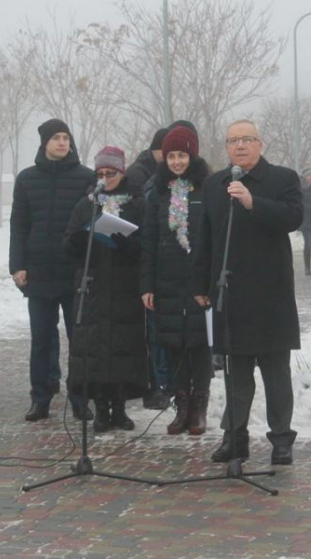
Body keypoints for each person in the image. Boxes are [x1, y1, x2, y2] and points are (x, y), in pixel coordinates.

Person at [193, 119, 303, 465]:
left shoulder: (283, 179)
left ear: (260, 143)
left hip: (271, 294)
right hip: (231, 293)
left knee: (275, 373)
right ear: (226, 148)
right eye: (232, 141)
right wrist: (201, 285)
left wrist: (253, 202)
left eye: (247, 139)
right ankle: (234, 437)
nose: (239, 146)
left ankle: (281, 439)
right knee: (235, 373)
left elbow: (294, 217)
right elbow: (205, 237)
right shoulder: (215, 184)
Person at [9, 118, 94, 422]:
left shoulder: (87, 177)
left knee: (80, 338)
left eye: (65, 137)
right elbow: (19, 223)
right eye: (55, 137)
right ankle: (40, 397)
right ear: (44, 142)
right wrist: (17, 265)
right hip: (39, 271)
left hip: (74, 270)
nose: (61, 142)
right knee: (41, 339)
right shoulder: (27, 179)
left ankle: (81, 398)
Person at [64, 146, 148, 432]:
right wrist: (79, 237)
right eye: (100, 173)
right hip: (94, 285)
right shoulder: (85, 204)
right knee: (96, 348)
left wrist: (124, 240)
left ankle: (120, 408)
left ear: (121, 173)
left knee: (122, 347)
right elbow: (68, 246)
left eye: (110, 173)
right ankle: (100, 407)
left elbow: (145, 245)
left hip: (124, 285)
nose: (104, 178)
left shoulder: (136, 203)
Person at [140, 126, 213, 435]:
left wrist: (208, 283)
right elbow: (148, 241)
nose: (177, 161)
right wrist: (146, 285)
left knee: (198, 346)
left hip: (198, 282)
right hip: (166, 280)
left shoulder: (207, 188)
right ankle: (181, 405)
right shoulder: (157, 191)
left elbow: (212, 237)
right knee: (174, 345)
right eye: (171, 156)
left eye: (182, 155)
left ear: (192, 155)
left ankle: (199, 407)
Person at [128, 128, 172, 410]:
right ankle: (156, 383)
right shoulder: (141, 175)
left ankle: (163, 382)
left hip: (165, 264)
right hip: (145, 264)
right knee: (152, 332)